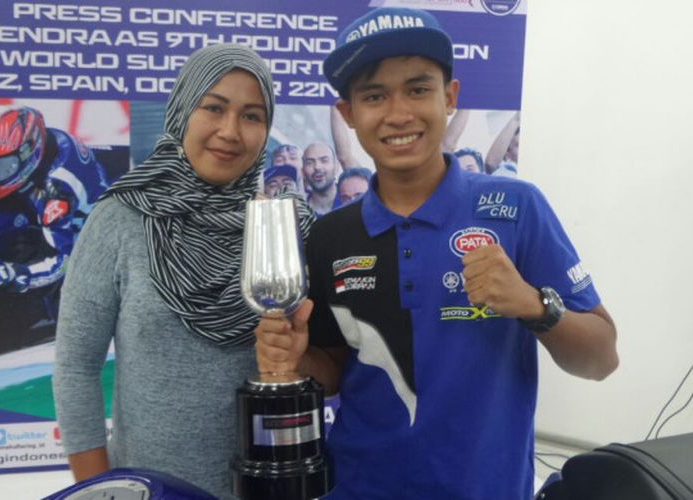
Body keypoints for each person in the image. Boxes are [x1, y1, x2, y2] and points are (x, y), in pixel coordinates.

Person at [254, 7, 618, 499]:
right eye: (374, 95)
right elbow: (334, 372)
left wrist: (534, 305)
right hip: (358, 488)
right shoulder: (330, 235)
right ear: (349, 114)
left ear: (450, 97)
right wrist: (299, 359)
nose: (399, 113)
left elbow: (600, 359)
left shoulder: (516, 208)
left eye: (418, 89)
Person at [52, 44, 314, 498]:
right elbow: (76, 368)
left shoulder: (285, 229)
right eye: (213, 107)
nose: (230, 131)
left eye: (252, 116)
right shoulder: (121, 218)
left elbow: (321, 366)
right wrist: (98, 490)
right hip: (148, 490)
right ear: (182, 111)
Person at [0, 105, 109, 295]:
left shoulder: (58, 194)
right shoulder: (4, 149)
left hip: (71, 232)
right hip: (25, 188)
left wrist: (16, 273)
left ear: (28, 153)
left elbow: (67, 262)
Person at [302, 142, 342, 215]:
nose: (317, 167)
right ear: (303, 171)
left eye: (324, 160)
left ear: (336, 166)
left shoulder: (350, 200)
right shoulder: (299, 212)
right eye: (310, 162)